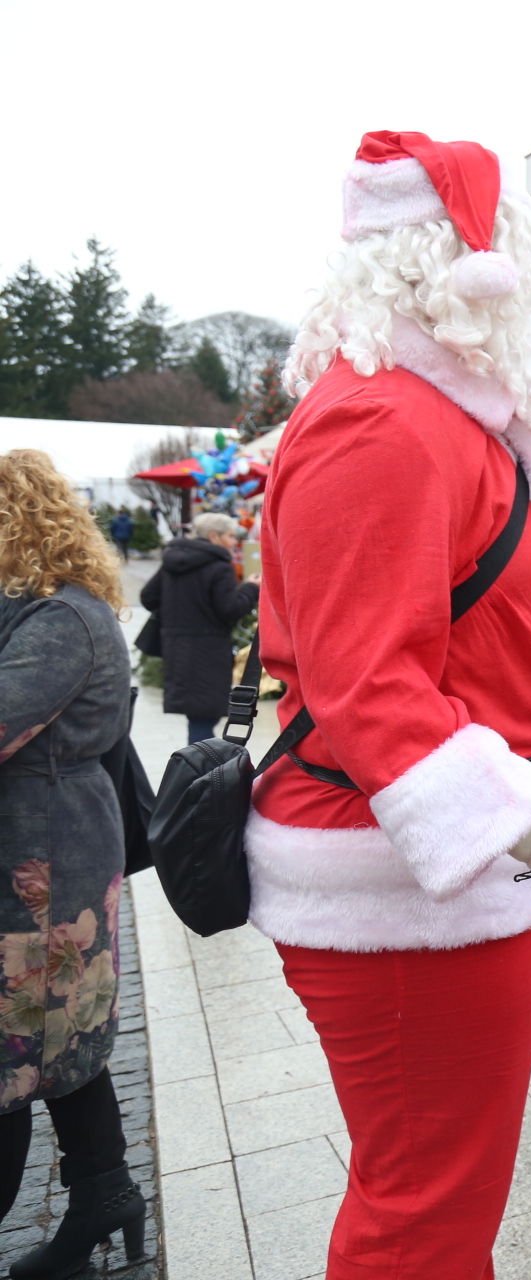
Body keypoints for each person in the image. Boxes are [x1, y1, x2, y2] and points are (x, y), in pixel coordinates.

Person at [253, 130, 531, 1278]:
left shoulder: (435, 415)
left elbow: (457, 646)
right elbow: (368, 685)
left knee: (430, 1204)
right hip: (402, 887)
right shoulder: (385, 420)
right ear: (484, 262)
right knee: (423, 1221)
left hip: (447, 873)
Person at [0, 450, 147, 1277]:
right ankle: (104, 1196)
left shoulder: (62, 619)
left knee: (23, 1041)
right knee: (62, 1039)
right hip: (48, 847)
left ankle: (102, 1196)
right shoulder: (37, 610)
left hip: (44, 861)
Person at [137, 511, 260, 743]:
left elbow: (148, 597)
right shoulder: (219, 566)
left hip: (178, 650)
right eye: (232, 536)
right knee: (204, 721)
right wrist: (251, 588)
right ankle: (201, 774)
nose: (235, 542)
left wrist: (180, 610)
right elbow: (230, 609)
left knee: (198, 719)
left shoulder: (174, 560)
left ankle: (197, 770)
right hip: (208, 653)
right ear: (214, 536)